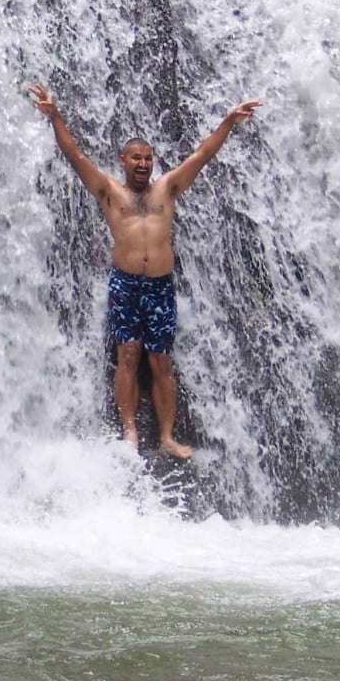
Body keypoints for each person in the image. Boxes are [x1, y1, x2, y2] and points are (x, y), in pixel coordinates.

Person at [28, 83, 262, 459]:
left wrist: (229, 122)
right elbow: (74, 156)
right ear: (123, 161)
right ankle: (130, 432)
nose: (142, 164)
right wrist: (55, 117)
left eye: (148, 158)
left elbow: (202, 154)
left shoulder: (167, 189)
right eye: (135, 158)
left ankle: (167, 436)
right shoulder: (109, 192)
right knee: (128, 356)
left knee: (160, 361)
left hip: (159, 287)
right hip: (125, 285)